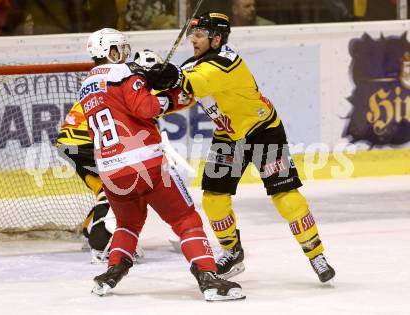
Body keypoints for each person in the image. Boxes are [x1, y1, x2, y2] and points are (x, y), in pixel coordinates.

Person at [145, 12, 336, 283]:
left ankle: (315, 254)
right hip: (229, 137)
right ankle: (232, 251)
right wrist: (152, 89)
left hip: (264, 132)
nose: (194, 41)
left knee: (286, 197)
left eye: (199, 35)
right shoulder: (194, 65)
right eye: (192, 36)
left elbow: (197, 81)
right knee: (213, 199)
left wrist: (169, 75)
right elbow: (183, 93)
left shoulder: (227, 61)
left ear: (217, 38)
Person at [78, 28, 245, 301]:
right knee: (186, 220)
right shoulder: (123, 73)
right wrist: (171, 94)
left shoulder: (86, 86)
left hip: (110, 171)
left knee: (127, 224)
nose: (124, 54)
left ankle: (111, 273)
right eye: (120, 48)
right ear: (110, 52)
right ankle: (208, 277)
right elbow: (145, 108)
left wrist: (145, 80)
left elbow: (122, 108)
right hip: (146, 163)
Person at [56, 50, 163, 263]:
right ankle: (103, 242)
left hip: (71, 141)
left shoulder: (115, 80)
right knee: (118, 187)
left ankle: (91, 230)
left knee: (104, 188)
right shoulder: (131, 87)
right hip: (85, 142)